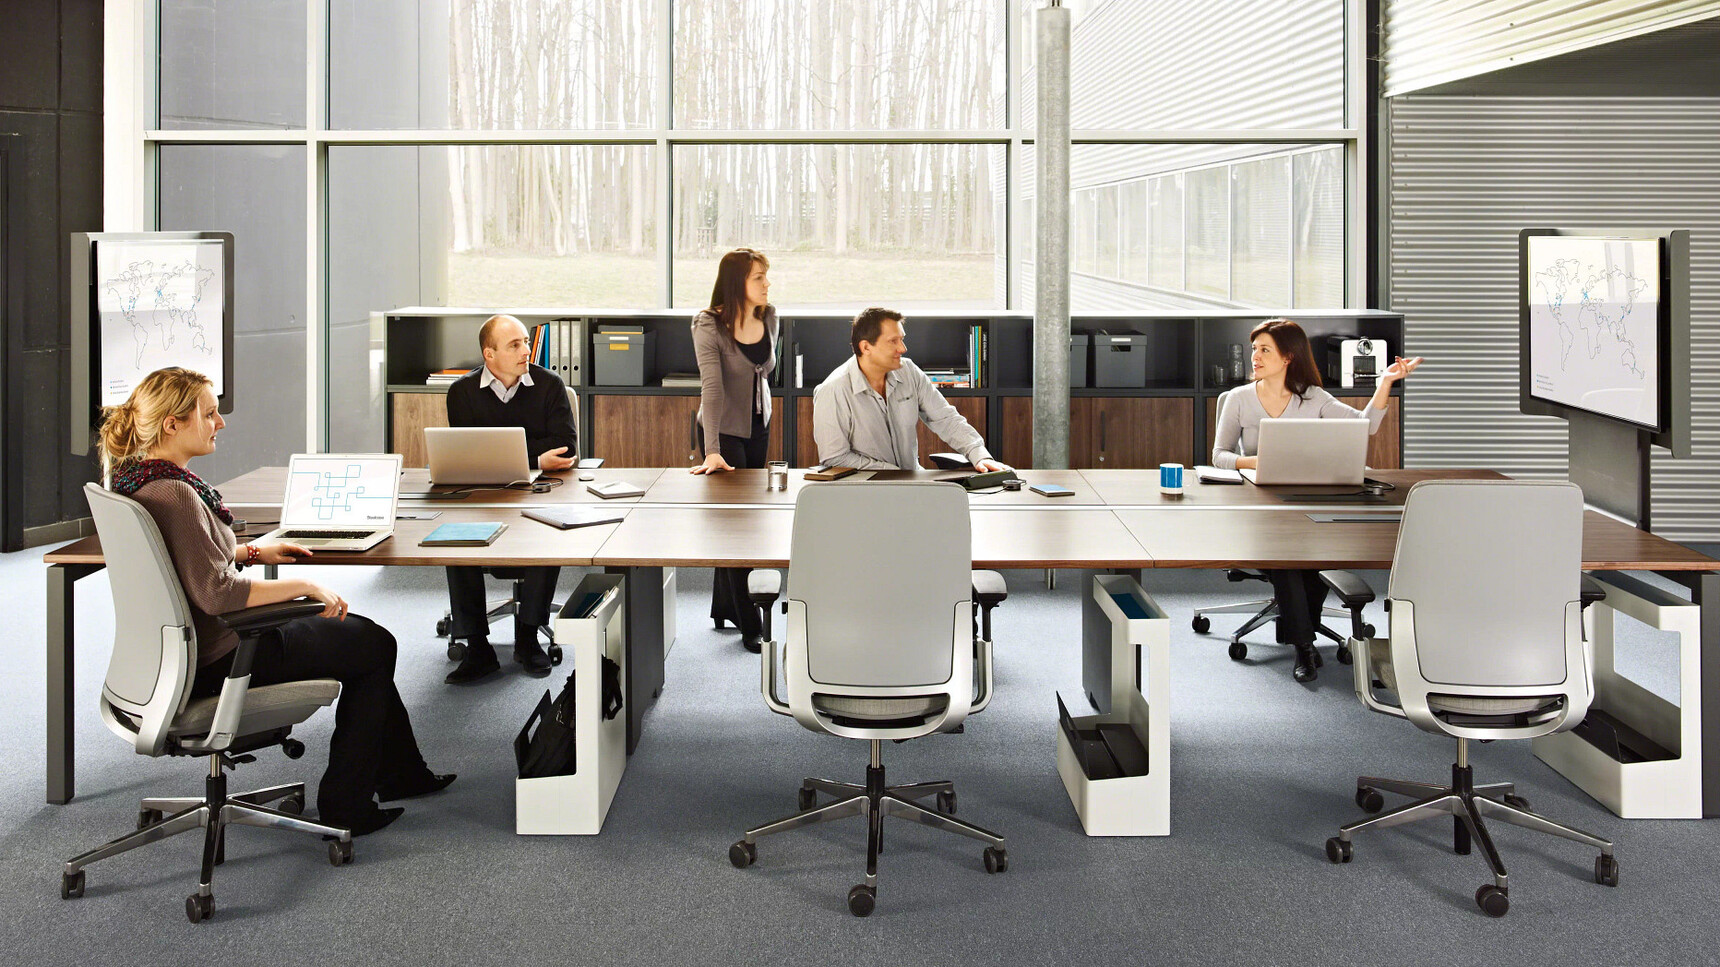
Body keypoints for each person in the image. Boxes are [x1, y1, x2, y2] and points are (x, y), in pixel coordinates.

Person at [97, 367, 452, 836]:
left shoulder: (139, 481)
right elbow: (216, 592)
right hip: (225, 656)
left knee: (364, 639)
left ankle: (403, 774)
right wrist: (302, 587)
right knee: (375, 645)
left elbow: (184, 562)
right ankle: (347, 804)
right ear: (172, 424)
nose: (220, 422)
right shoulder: (175, 493)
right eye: (208, 413)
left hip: (180, 656)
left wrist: (251, 551)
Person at [1211, 317, 1422, 684]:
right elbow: (1219, 456)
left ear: (1288, 356)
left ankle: (1302, 637)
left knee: (1317, 553)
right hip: (1261, 508)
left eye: (1265, 350)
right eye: (1254, 349)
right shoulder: (1239, 400)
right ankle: (1304, 647)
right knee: (1289, 560)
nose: (1255, 357)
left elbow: (1365, 426)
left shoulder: (1314, 398)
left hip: (1310, 498)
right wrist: (1253, 461)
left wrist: (1385, 383)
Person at [442, 313, 579, 683]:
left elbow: (565, 447)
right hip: (482, 495)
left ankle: (528, 637)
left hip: (538, 494)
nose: (526, 350)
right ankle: (477, 647)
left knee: (547, 535)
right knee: (456, 539)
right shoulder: (462, 393)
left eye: (525, 341)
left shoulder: (550, 385)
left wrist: (510, 453)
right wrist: (535, 456)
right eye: (514, 344)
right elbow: (467, 453)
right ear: (490, 354)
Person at [689, 248, 778, 653]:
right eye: (758, 277)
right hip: (722, 432)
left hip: (758, 426)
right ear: (736, 282)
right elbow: (713, 387)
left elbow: (763, 373)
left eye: (766, 276)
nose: (766, 283)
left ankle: (724, 606)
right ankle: (750, 625)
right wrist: (710, 451)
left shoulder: (769, 317)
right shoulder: (709, 325)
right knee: (734, 529)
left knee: (747, 521)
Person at [812, 307, 1012, 474]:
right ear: (866, 347)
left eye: (902, 339)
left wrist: (978, 453)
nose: (903, 348)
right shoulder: (833, 391)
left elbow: (946, 419)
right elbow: (835, 458)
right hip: (864, 493)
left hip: (911, 484)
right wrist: (894, 474)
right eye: (893, 341)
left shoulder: (908, 372)